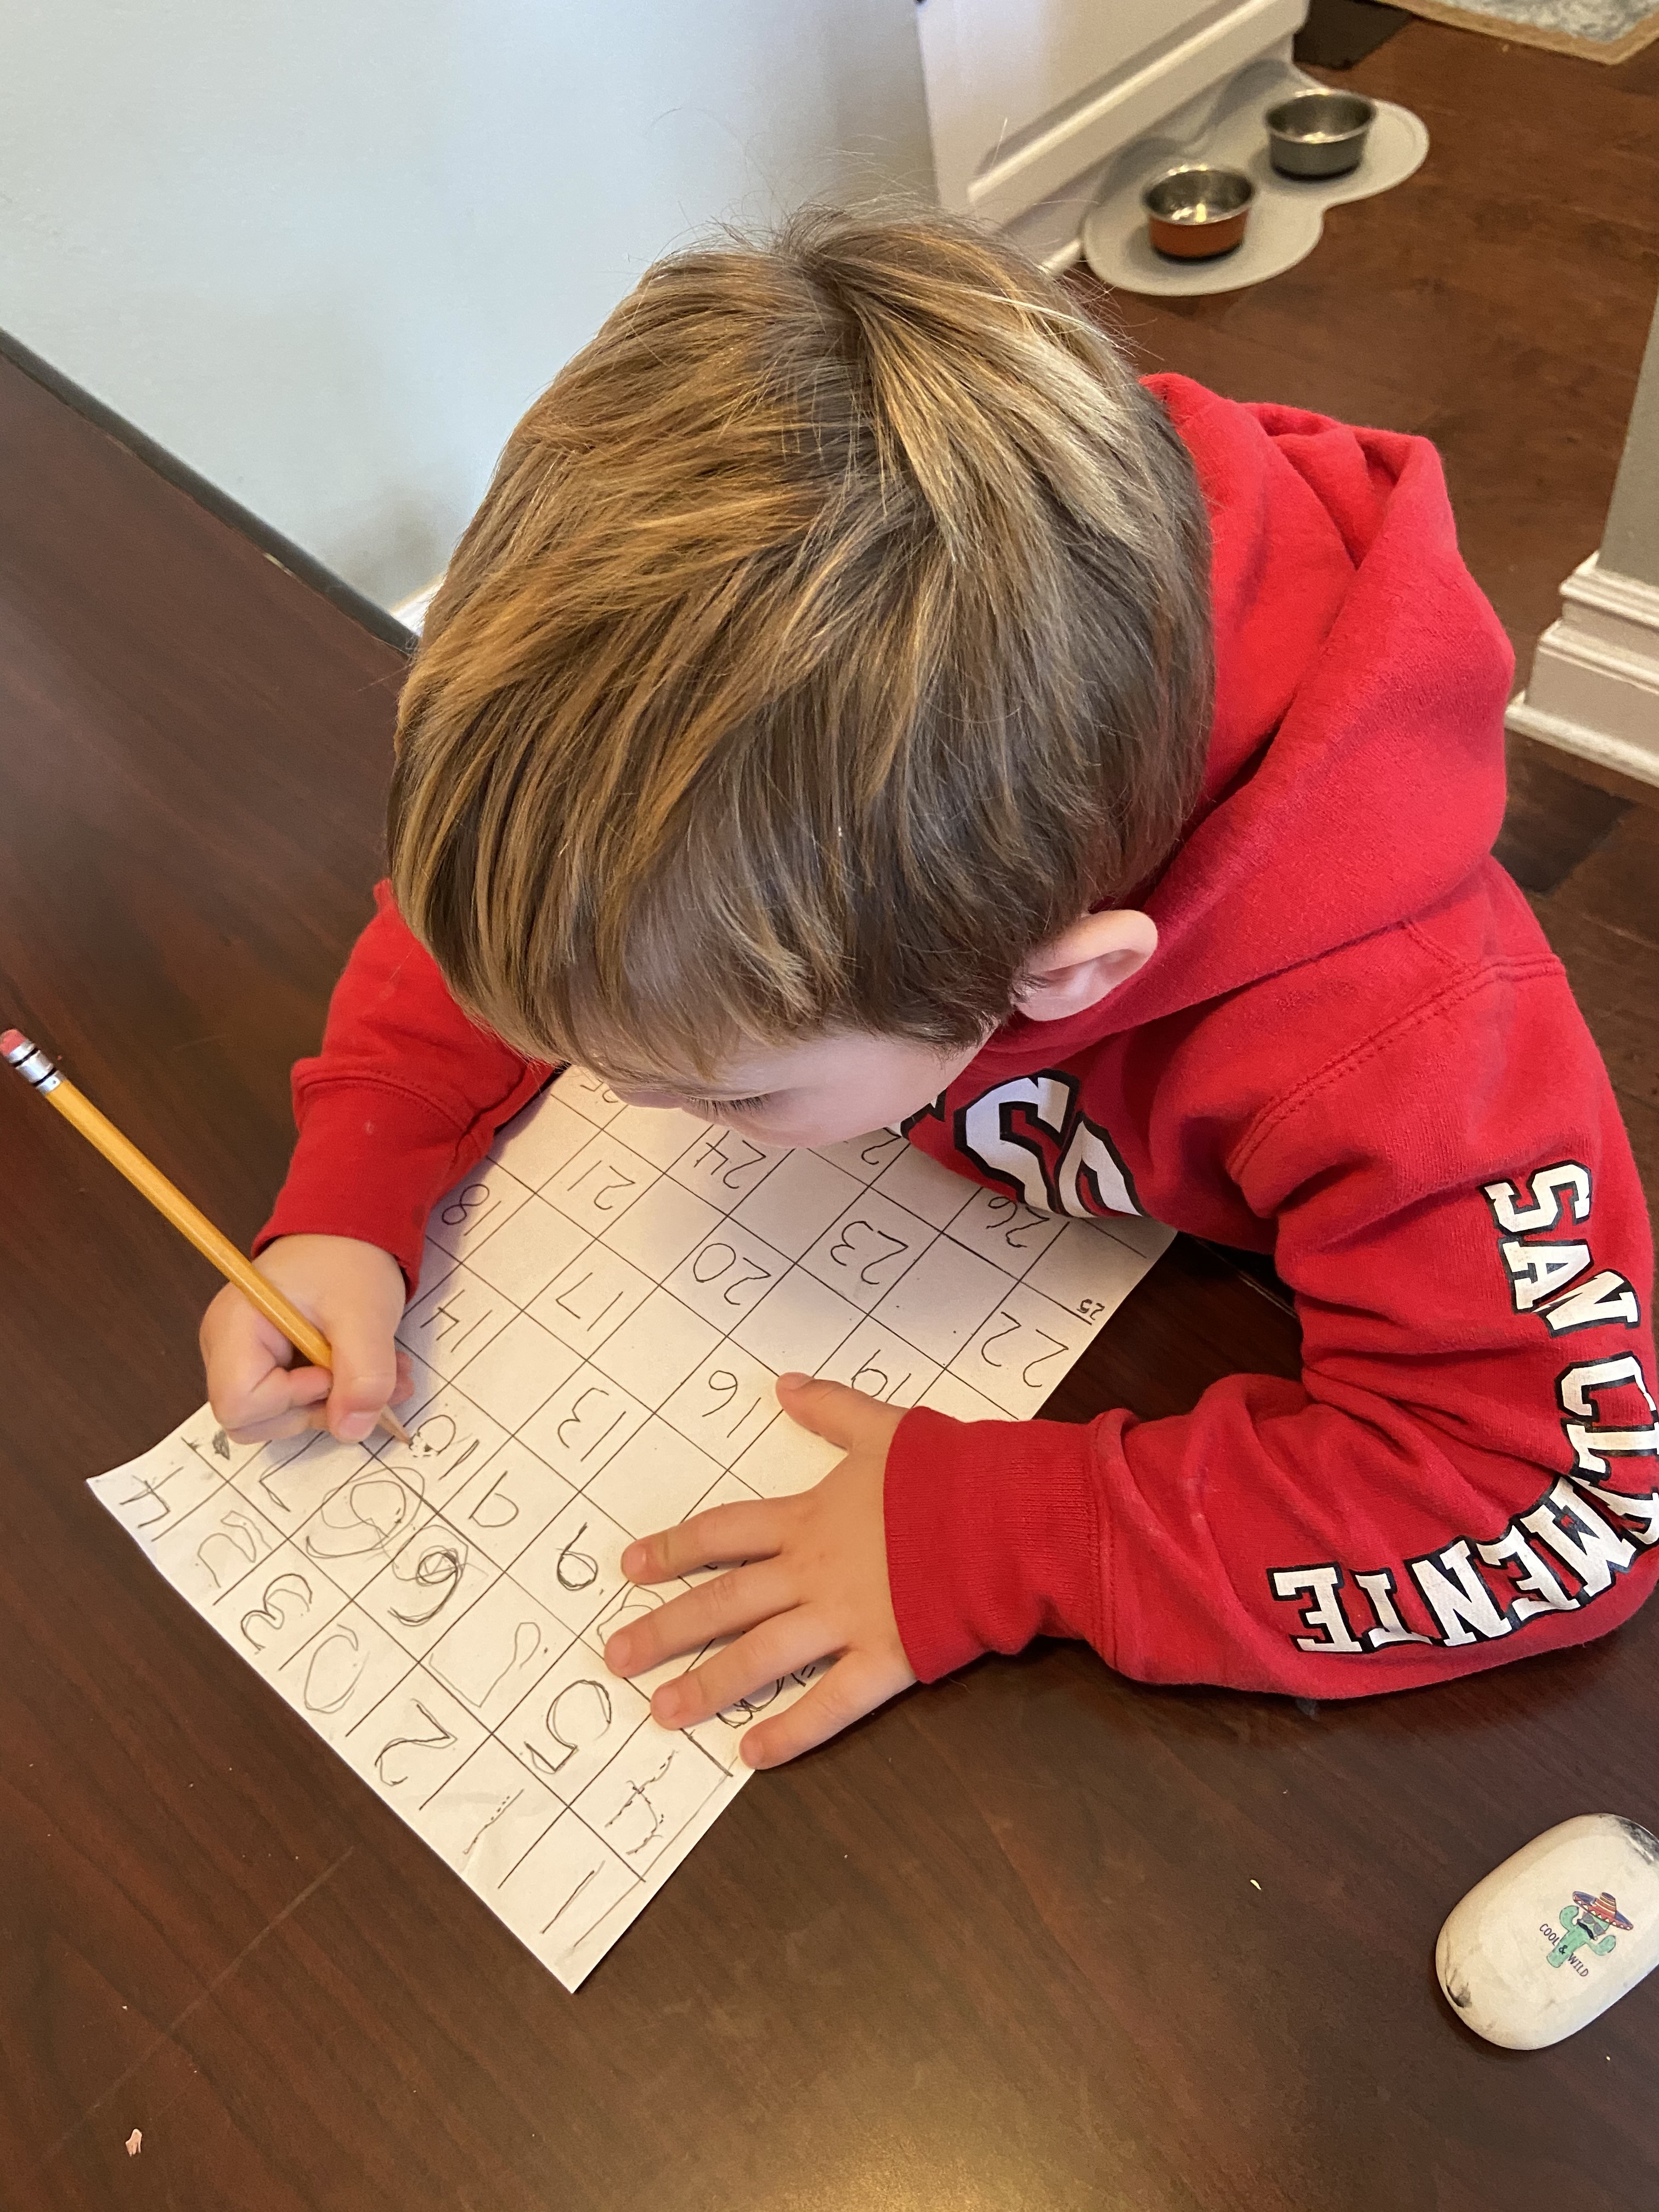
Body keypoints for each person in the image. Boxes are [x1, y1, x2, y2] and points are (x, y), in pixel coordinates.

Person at [201, 210, 1657, 1770]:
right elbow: (535, 921)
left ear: (1057, 976)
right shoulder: (742, 817)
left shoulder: (1404, 1038)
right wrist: (358, 1180)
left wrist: (996, 1537)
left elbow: (1555, 1500)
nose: (624, 1105)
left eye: (726, 1086)